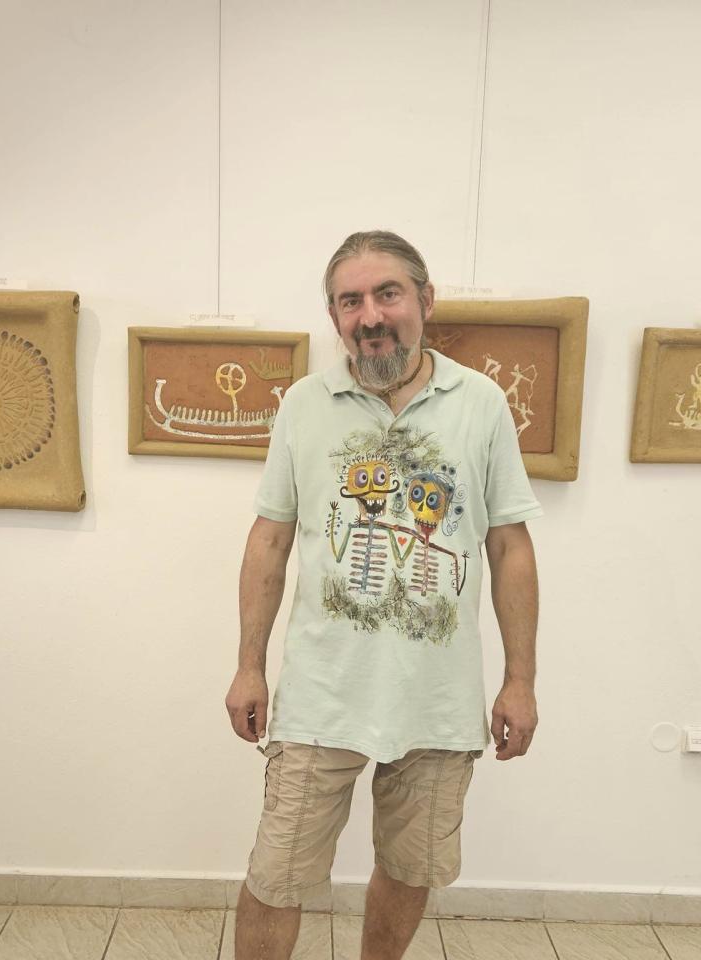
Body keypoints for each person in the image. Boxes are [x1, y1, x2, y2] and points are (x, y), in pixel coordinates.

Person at [225, 230, 542, 960]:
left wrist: (520, 680)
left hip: (437, 696)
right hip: (322, 692)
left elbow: (509, 547)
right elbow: (269, 541)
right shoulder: (304, 405)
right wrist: (248, 665)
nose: (369, 315)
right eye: (350, 300)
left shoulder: (481, 402)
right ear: (334, 315)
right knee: (277, 874)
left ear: (425, 300)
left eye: (387, 293)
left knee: (409, 868)